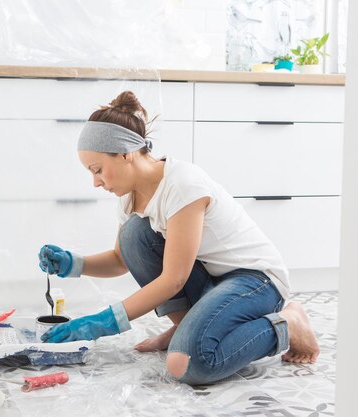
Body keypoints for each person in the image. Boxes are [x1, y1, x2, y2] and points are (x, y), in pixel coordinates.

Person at [38, 91, 320, 385]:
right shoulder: (129, 198)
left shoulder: (182, 184)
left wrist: (104, 323)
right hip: (211, 280)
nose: (95, 182)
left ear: (125, 154)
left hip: (255, 281)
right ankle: (188, 328)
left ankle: (288, 322)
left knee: (187, 365)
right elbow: (122, 259)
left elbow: (173, 279)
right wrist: (72, 264)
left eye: (97, 170)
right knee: (135, 233)